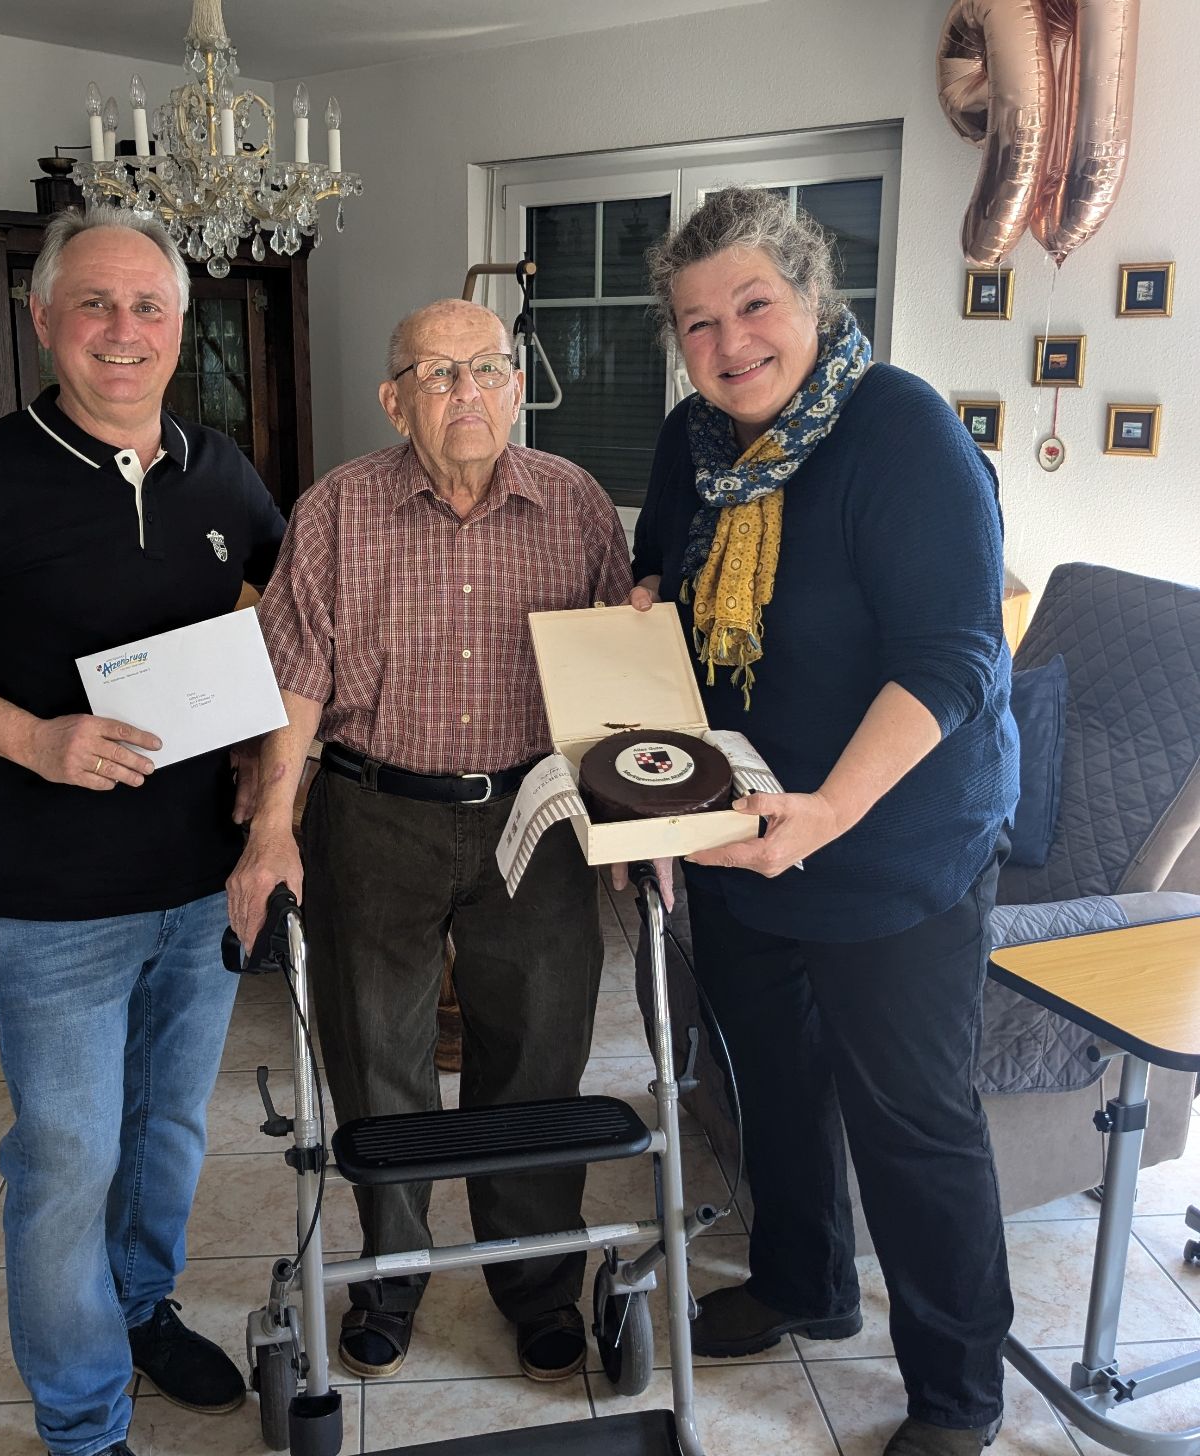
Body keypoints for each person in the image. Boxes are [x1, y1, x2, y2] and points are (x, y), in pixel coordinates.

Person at [0, 206, 287, 1456]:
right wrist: (34, 739)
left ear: (180, 325)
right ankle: (84, 1422)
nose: (122, 330)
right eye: (93, 303)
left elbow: (279, 607)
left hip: (198, 880)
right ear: (43, 319)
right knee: (64, 1160)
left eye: (148, 305)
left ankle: (141, 1308)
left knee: (166, 1131)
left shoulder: (220, 468)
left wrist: (258, 757)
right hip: (55, 898)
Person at [625, 187, 1018, 1456]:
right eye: (696, 322)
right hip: (743, 831)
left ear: (810, 298)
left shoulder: (897, 428)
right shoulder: (690, 440)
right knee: (770, 1084)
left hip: (894, 840)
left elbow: (953, 659)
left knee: (911, 1121)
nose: (728, 341)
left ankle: (955, 1393)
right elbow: (659, 581)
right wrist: (641, 615)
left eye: (753, 304)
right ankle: (803, 1283)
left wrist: (830, 812)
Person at [228, 298, 632, 1383]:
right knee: (375, 1056)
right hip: (373, 810)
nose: (466, 391)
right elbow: (294, 680)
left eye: (487, 368)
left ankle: (535, 1281)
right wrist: (272, 828)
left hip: (535, 814)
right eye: (437, 373)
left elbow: (616, 670)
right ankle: (392, 1274)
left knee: (536, 1054)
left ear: (517, 386)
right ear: (392, 398)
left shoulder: (576, 503)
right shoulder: (336, 509)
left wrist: (643, 820)